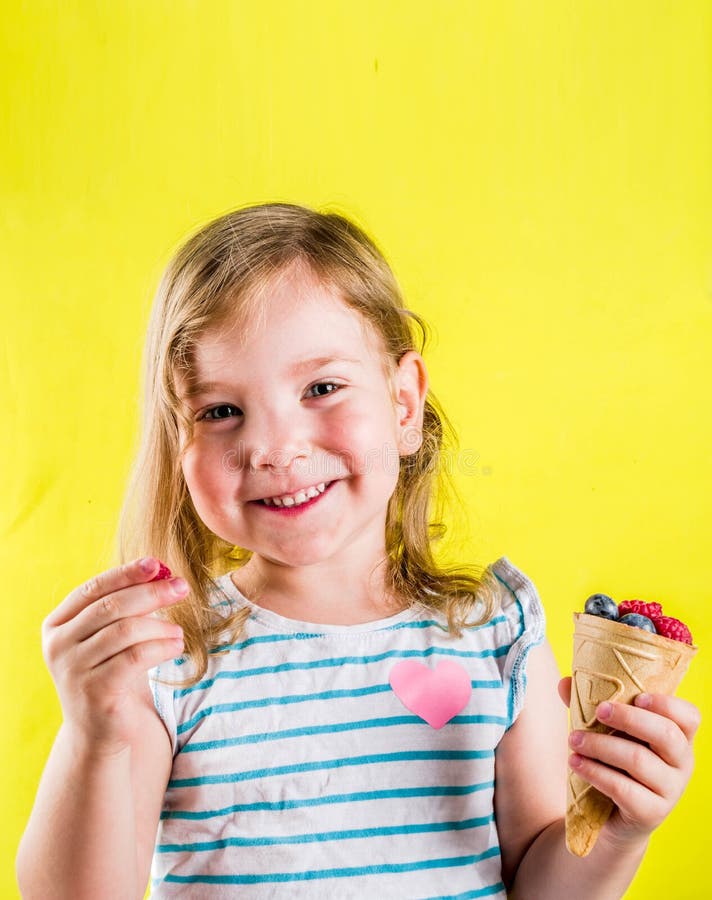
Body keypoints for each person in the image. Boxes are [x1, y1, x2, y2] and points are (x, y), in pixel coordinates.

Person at [17, 203, 700, 899]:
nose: (275, 448)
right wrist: (92, 739)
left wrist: (618, 832)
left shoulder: (495, 634)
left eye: (321, 388)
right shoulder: (168, 658)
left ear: (404, 405)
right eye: (220, 410)